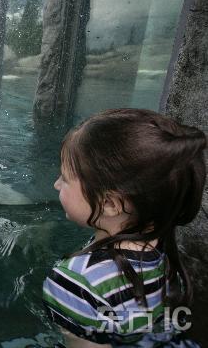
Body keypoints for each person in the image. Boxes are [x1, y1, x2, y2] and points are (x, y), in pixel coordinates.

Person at [43, 108, 206, 347]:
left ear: (110, 204)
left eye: (65, 178)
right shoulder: (160, 243)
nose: (56, 184)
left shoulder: (75, 283)